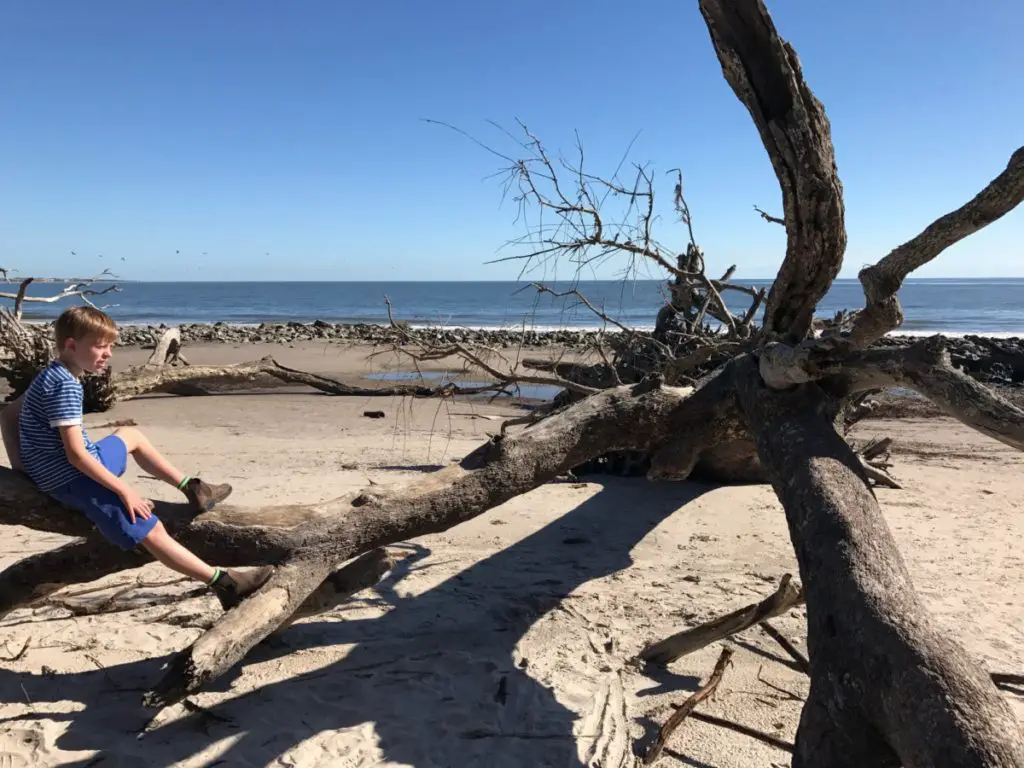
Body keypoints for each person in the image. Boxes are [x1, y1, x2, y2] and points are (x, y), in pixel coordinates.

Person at [0, 306, 270, 609]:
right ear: (72, 345)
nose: (108, 354)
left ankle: (194, 489)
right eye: (100, 346)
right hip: (74, 478)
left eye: (110, 346)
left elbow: (8, 414)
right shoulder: (64, 386)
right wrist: (125, 490)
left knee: (131, 436)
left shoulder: (52, 373)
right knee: (150, 528)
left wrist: (23, 467)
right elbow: (76, 456)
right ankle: (226, 583)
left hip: (66, 468)